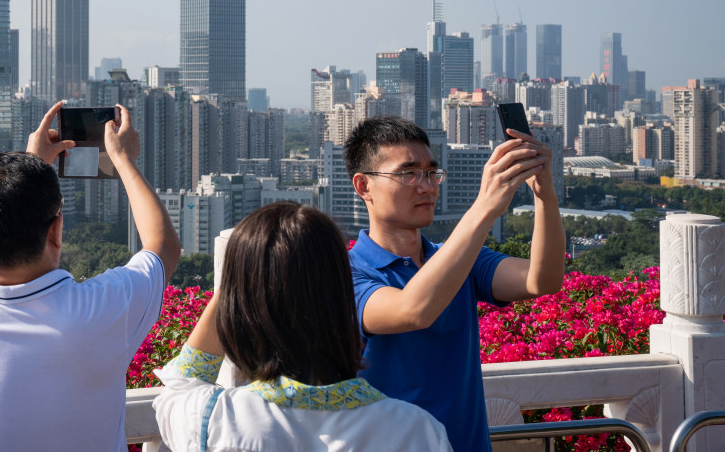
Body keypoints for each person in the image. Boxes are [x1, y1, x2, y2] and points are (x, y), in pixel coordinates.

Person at [0, 101, 181, 452]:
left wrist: (30, 167)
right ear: (56, 230)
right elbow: (163, 246)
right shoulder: (100, 310)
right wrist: (123, 159)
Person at [153, 202, 451, 451]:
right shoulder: (417, 431)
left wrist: (240, 280)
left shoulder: (213, 420)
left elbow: (181, 381)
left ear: (240, 309)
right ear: (342, 297)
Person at [345, 116, 565, 452]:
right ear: (363, 186)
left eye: (432, 173)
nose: (426, 186)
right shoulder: (349, 275)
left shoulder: (463, 260)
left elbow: (542, 279)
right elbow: (413, 310)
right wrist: (486, 205)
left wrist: (544, 193)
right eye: (408, 173)